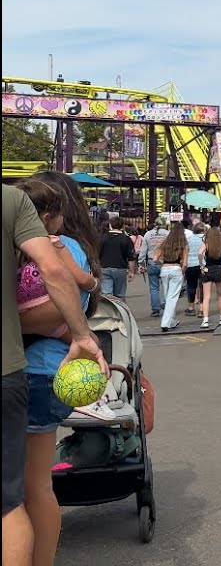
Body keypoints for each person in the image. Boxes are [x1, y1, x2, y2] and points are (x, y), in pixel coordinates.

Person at [3, 183, 106, 566]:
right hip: (35, 372)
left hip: (38, 373)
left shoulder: (60, 247)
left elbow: (63, 304)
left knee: (29, 489)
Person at [156, 225, 189, 333]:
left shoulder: (165, 243)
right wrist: (182, 272)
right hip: (176, 269)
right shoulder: (183, 244)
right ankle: (165, 323)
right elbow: (185, 263)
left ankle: (172, 320)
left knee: (167, 296)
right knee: (172, 298)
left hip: (165, 269)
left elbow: (155, 258)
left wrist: (163, 263)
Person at [198, 224, 221, 330]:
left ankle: (205, 320)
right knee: (220, 295)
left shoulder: (206, 244)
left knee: (206, 296)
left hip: (208, 269)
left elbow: (199, 253)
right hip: (218, 269)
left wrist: (202, 266)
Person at [98, 216, 135, 297]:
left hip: (104, 267)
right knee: (119, 294)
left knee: (106, 293)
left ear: (110, 225)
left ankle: (108, 308)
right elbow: (131, 257)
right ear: (122, 226)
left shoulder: (102, 238)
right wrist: (131, 271)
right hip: (120, 268)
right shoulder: (127, 239)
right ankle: (119, 308)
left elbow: (97, 254)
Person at [140, 216, 169, 316]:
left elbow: (143, 250)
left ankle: (155, 308)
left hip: (152, 261)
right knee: (166, 285)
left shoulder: (148, 234)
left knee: (154, 287)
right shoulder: (167, 234)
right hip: (165, 261)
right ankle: (165, 304)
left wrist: (141, 262)